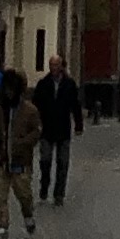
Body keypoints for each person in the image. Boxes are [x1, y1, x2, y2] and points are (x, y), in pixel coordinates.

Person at [0, 67, 42, 239]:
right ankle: (2, 225)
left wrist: (24, 142)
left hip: (20, 160)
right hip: (1, 158)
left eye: (12, 89)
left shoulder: (30, 110)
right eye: (6, 89)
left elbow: (36, 132)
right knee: (0, 194)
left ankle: (28, 215)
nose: (9, 93)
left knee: (23, 193)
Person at [34, 52, 83, 205]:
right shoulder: (43, 84)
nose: (53, 68)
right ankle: (44, 186)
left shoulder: (69, 84)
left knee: (63, 162)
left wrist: (78, 124)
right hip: (47, 128)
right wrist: (36, 124)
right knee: (45, 160)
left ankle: (59, 194)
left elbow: (75, 105)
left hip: (63, 128)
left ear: (61, 66)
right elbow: (36, 105)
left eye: (56, 65)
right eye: (51, 65)